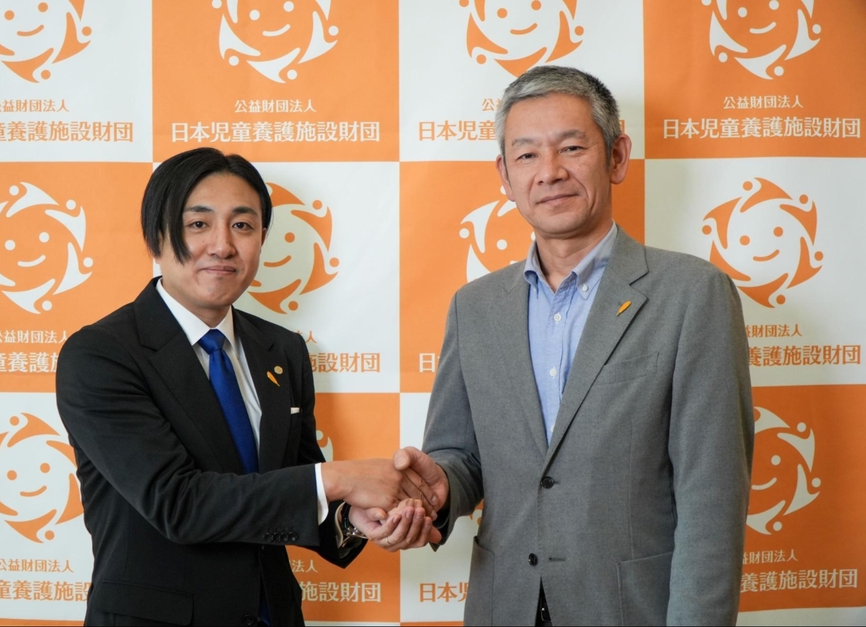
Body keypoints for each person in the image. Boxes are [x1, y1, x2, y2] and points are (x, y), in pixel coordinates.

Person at [370, 66, 754, 625]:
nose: (550, 172)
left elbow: (712, 498)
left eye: (572, 147)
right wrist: (440, 487)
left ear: (617, 156)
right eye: (526, 155)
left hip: (631, 610)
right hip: (505, 606)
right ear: (504, 175)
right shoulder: (475, 306)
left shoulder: (693, 295)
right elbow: (462, 456)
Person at [55, 147, 437, 626]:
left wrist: (356, 517)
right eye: (198, 224)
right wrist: (340, 478)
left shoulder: (282, 349)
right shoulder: (101, 354)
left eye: (242, 225)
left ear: (261, 239)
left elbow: (293, 478)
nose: (222, 246)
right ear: (156, 235)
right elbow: (178, 504)